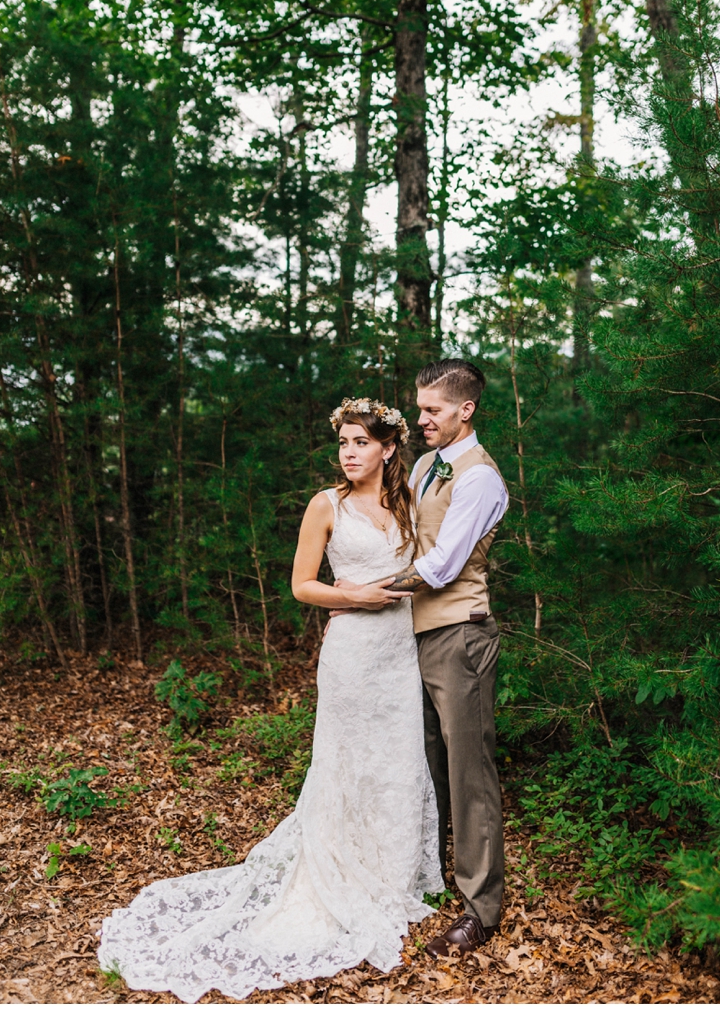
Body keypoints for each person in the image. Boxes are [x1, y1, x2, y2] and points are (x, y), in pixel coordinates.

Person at [96, 398, 443, 1003]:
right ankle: (335, 873)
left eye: (362, 442)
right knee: (345, 763)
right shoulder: (325, 504)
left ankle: (391, 877)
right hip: (353, 653)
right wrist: (351, 598)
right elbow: (301, 584)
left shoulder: (410, 502)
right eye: (344, 444)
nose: (350, 453)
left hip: (399, 657)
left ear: (389, 448)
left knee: (396, 761)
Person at [368, 359, 508, 959]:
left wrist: (363, 594)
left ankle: (481, 909)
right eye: (420, 408)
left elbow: (443, 565)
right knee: (422, 766)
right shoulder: (426, 464)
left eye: (433, 410)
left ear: (465, 409)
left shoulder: (479, 478)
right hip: (413, 636)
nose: (421, 419)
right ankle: (427, 878)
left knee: (469, 773)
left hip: (461, 636)